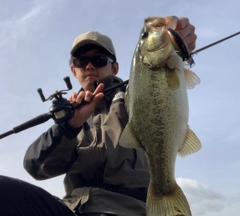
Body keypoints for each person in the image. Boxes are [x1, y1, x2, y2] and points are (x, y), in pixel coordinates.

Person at [0, 17, 197, 216]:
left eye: (99, 60)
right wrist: (67, 127)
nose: (90, 66)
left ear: (115, 67)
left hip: (130, 209)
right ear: (73, 71)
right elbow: (36, 167)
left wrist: (180, 46)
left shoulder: (136, 93)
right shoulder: (70, 118)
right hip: (73, 210)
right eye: (81, 61)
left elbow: (163, 88)